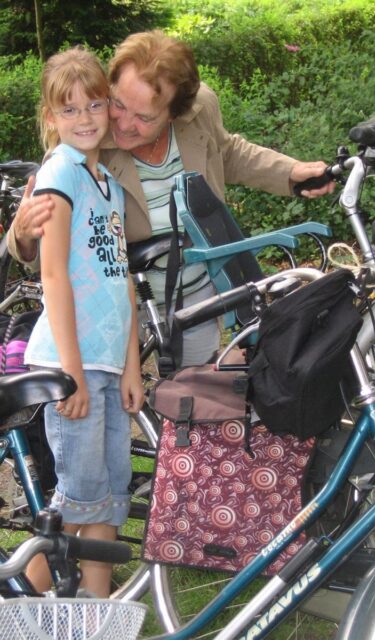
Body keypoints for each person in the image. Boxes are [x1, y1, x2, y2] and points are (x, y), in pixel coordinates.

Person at [8, 30, 335, 366]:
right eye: (118, 104)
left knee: (192, 390)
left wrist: (290, 172)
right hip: (117, 307)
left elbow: (226, 153)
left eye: (145, 117)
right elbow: (53, 249)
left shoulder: (199, 110)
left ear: (173, 114)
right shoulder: (85, 141)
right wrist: (23, 236)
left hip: (194, 296)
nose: (123, 123)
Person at [23, 46, 144, 597]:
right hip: (73, 363)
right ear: (51, 117)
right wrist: (70, 373)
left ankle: (96, 616)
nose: (85, 118)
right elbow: (53, 276)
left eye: (94, 104)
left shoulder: (109, 185)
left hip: (108, 364)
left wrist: (131, 366)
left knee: (111, 496)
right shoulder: (59, 174)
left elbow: (123, 280)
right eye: (69, 109)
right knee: (76, 502)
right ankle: (20, 605)